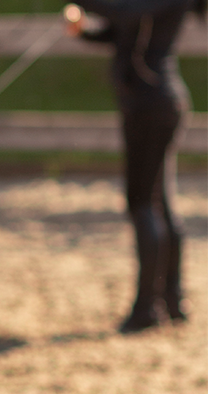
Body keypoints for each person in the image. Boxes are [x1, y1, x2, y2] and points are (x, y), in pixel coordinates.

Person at [70, 0, 203, 331]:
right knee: (160, 200)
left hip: (151, 104)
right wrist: (83, 31)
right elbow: (121, 32)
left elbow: (123, 12)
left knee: (143, 201)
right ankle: (171, 300)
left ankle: (147, 308)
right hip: (151, 101)